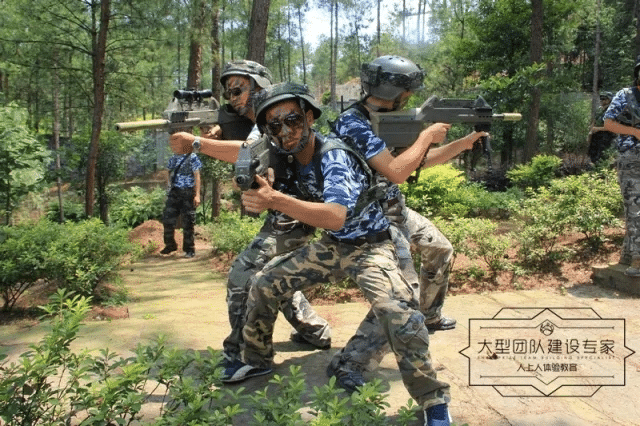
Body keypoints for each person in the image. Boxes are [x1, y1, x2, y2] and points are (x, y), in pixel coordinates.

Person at [224, 81, 453, 426]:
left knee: (399, 314)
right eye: (275, 125)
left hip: (370, 245)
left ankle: (433, 400)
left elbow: (335, 215)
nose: (285, 131)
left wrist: (274, 199)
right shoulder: (284, 157)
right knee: (264, 283)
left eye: (293, 120)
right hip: (333, 246)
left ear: (310, 117)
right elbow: (273, 195)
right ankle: (256, 359)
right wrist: (254, 187)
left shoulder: (333, 154)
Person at [327, 55, 488, 392]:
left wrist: (461, 143)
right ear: (395, 91)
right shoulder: (353, 124)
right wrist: (426, 136)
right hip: (370, 220)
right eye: (409, 91)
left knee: (440, 249)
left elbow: (414, 163)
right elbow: (397, 171)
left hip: (393, 208)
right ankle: (350, 363)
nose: (412, 97)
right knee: (400, 295)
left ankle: (428, 316)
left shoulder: (387, 121)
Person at [169, 60, 331, 381]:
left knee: (244, 272)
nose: (232, 98)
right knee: (273, 273)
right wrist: (220, 137)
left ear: (259, 86)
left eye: (238, 89)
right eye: (228, 92)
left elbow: (248, 148)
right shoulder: (242, 121)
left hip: (307, 203)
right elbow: (245, 172)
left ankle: (246, 355)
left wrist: (198, 143)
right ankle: (315, 330)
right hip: (288, 202)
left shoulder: (273, 112)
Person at [604, 55, 640, 276]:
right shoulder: (625, 95)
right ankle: (637, 259)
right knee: (635, 209)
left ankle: (628, 255)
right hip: (632, 159)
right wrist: (634, 132)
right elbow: (608, 122)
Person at [160, 148, 202, 258]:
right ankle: (170, 245)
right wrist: (168, 186)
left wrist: (197, 195)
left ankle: (189, 249)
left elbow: (197, 175)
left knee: (188, 222)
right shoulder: (174, 156)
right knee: (167, 219)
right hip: (175, 192)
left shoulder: (192, 156)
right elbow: (167, 170)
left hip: (188, 192)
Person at [588, 91, 615, 164]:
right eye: (601, 99)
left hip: (606, 137)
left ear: (610, 100)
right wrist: (591, 132)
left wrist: (597, 129)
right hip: (596, 136)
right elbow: (594, 121)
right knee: (592, 156)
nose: (602, 100)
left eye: (604, 99)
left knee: (601, 157)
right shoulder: (600, 110)